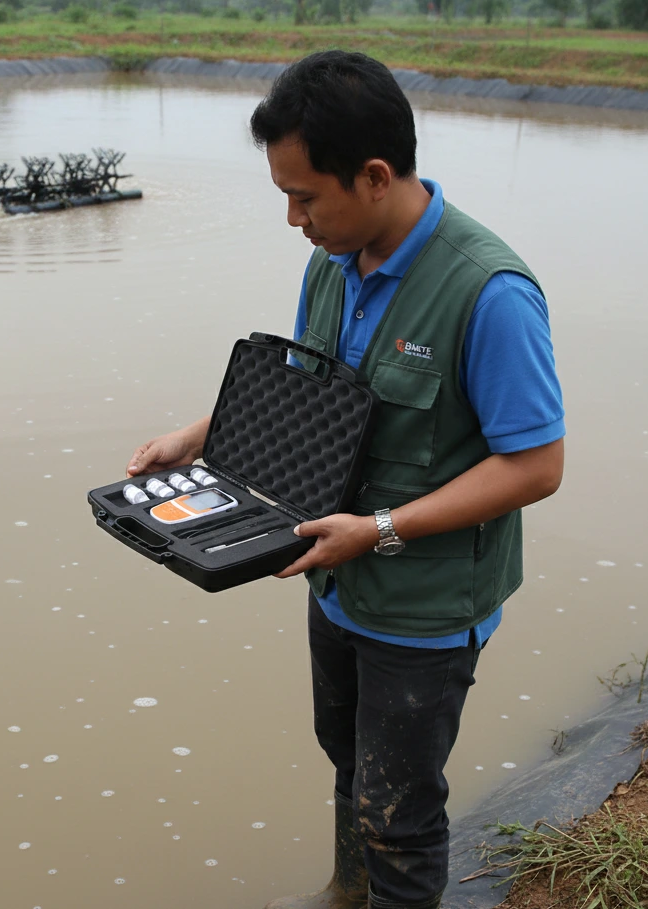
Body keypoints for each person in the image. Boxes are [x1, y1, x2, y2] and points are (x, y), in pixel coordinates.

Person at [126, 50, 565, 909]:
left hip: (424, 610)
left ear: (372, 176)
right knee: (350, 764)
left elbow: (536, 465)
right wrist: (195, 436)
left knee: (399, 809)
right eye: (283, 195)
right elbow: (303, 401)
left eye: (304, 196)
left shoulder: (489, 292)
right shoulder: (332, 262)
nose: (293, 219)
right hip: (335, 584)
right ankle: (346, 891)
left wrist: (383, 529)